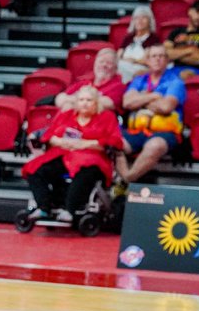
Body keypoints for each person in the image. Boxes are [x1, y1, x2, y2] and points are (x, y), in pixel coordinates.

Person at [21, 85, 123, 222]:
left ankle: (70, 209)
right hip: (64, 153)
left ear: (96, 103)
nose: (85, 103)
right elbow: (49, 134)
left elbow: (114, 141)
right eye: (81, 100)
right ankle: (44, 206)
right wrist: (59, 141)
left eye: (89, 100)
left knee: (86, 173)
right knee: (35, 170)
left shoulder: (107, 117)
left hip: (93, 157)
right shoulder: (67, 115)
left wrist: (87, 143)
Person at [118, 44, 186, 184]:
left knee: (155, 145)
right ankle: (125, 177)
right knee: (114, 142)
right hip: (136, 130)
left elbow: (166, 107)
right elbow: (127, 103)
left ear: (167, 61)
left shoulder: (175, 82)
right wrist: (154, 96)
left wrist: (141, 99)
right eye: (154, 56)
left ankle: (128, 180)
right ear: (147, 60)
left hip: (165, 132)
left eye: (161, 56)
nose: (157, 59)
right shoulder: (139, 80)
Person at [52, 47, 125, 112]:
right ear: (95, 64)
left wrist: (72, 104)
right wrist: (91, 100)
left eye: (109, 63)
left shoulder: (118, 86)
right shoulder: (83, 82)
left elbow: (108, 103)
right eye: (101, 61)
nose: (104, 65)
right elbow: (59, 99)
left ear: (116, 68)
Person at [163, 0, 199, 78]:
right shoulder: (176, 32)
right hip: (174, 69)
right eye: (197, 12)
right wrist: (189, 51)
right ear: (189, 11)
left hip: (196, 71)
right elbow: (164, 54)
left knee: (184, 75)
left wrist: (175, 55)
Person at [116, 5, 160, 82]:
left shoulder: (153, 39)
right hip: (123, 65)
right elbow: (118, 56)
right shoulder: (128, 38)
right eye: (137, 18)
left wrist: (133, 61)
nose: (140, 21)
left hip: (141, 68)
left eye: (144, 18)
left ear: (150, 21)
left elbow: (146, 60)